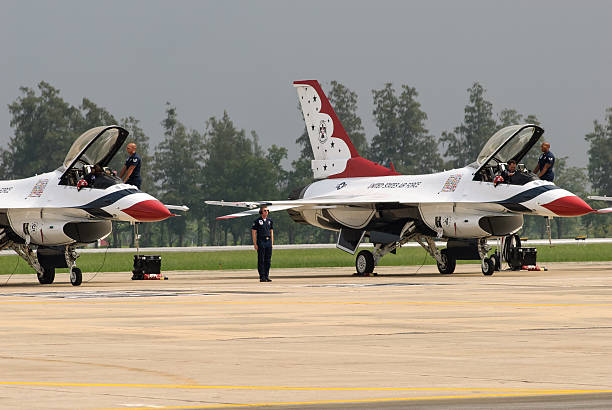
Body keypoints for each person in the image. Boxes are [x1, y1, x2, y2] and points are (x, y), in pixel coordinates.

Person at [251, 206, 273, 282]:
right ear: (261, 212)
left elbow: (271, 231)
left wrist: (272, 243)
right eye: (264, 210)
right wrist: (255, 243)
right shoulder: (257, 221)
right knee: (261, 260)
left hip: (268, 242)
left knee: (268, 260)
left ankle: (267, 275)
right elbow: (254, 233)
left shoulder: (270, 220)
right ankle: (262, 276)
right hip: (261, 242)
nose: (266, 212)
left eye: (267, 210)